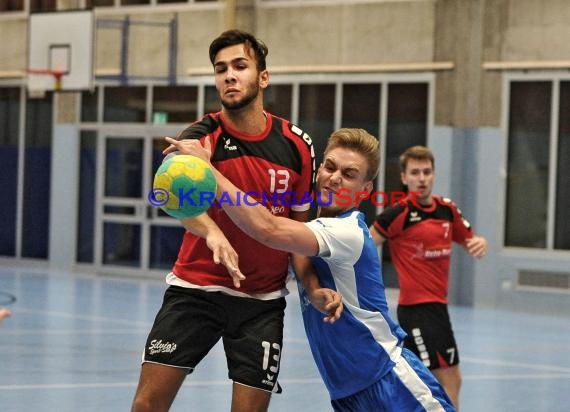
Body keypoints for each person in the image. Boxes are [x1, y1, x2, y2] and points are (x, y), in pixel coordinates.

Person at [172, 128, 456, 411]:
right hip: (348, 394)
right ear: (318, 170)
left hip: (390, 380)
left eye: (349, 174)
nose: (334, 178)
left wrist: (207, 169)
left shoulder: (347, 231)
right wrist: (312, 287)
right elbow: (298, 252)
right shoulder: (313, 231)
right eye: (330, 167)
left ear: (365, 190)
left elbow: (267, 228)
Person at [131, 30, 341, 412]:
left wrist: (311, 287)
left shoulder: (297, 145)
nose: (229, 75)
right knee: (147, 406)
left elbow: (297, 232)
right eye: (220, 69)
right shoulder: (201, 136)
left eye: (240, 66)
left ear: (262, 77)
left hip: (261, 303)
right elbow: (171, 196)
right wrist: (211, 231)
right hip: (195, 289)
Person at [369, 145, 487, 410]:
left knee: (425, 381)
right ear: (404, 178)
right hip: (418, 310)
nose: (421, 178)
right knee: (447, 379)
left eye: (426, 172)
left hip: (437, 308)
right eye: (415, 173)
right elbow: (363, 245)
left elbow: (470, 239)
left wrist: (479, 242)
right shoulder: (397, 215)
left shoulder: (447, 210)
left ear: (433, 175)